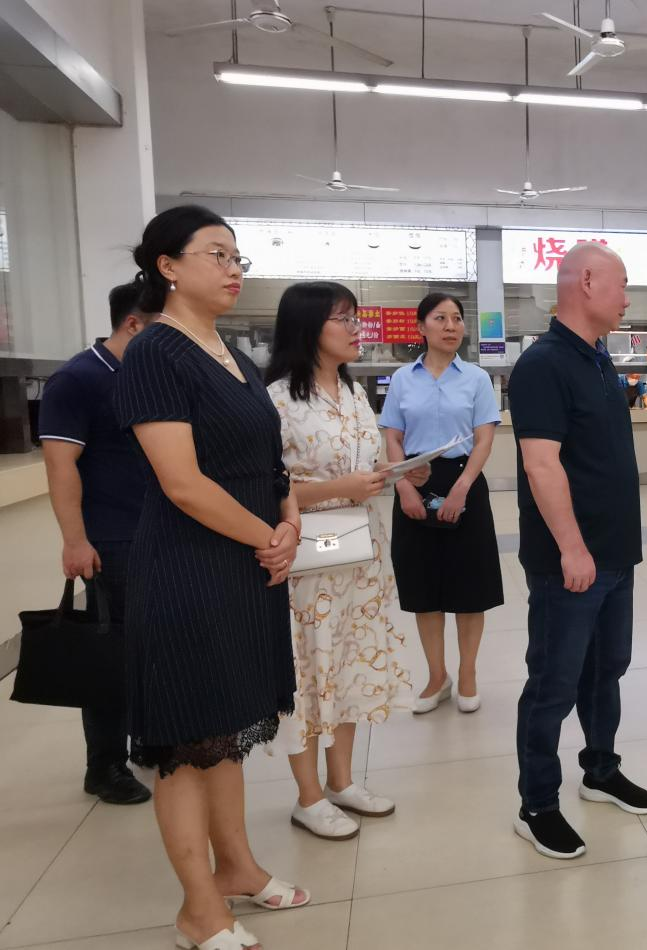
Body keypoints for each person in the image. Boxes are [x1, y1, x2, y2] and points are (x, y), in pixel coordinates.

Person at [115, 205, 308, 950]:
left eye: (238, 258)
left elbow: (267, 457)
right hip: (188, 569)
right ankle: (198, 908)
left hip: (245, 563)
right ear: (167, 266)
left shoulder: (228, 351)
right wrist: (270, 539)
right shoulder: (155, 352)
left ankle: (239, 869)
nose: (233, 270)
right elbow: (183, 483)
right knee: (185, 740)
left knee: (224, 731)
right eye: (217, 254)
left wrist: (287, 519)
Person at [509, 242, 647, 860]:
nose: (627, 298)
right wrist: (572, 548)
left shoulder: (598, 359)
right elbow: (541, 465)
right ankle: (537, 804)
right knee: (554, 683)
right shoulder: (543, 364)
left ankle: (600, 770)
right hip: (569, 561)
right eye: (622, 284)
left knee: (607, 670)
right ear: (588, 282)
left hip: (616, 554)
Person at [266, 281, 414, 841]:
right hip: (309, 562)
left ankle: (342, 782)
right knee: (309, 670)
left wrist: (392, 474)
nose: (356, 329)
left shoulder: (353, 393)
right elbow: (266, 487)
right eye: (344, 319)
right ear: (308, 327)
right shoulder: (277, 400)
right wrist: (337, 487)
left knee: (351, 664)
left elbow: (362, 468)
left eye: (356, 318)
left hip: (359, 553)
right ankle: (308, 797)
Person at [38, 283, 155, 806]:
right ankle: (104, 764)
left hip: (158, 533)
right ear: (133, 324)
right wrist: (75, 540)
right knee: (113, 654)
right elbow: (60, 465)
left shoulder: (149, 377)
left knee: (152, 649)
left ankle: (146, 739)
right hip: (111, 539)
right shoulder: (78, 379)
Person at [382, 293, 503, 715]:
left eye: (457, 318)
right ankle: (438, 676)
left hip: (464, 480)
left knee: (470, 586)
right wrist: (403, 488)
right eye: (440, 318)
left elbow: (484, 437)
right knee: (424, 587)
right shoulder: (403, 378)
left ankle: (467, 673)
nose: (451, 326)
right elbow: (393, 436)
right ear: (421, 327)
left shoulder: (476, 378)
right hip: (413, 479)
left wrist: (462, 487)